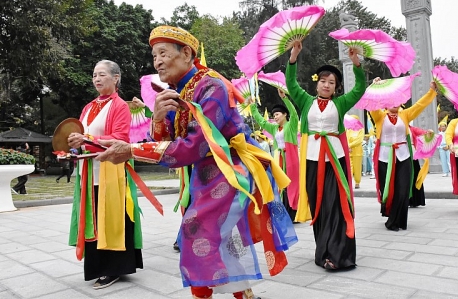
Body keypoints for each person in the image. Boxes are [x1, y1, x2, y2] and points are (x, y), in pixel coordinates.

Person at [94, 25, 296, 299]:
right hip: (207, 174)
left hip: (231, 170)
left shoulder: (211, 85)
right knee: (218, 238)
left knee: (196, 232)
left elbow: (194, 145)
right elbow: (169, 138)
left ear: (187, 53)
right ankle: (244, 296)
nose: (158, 62)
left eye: (163, 53)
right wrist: (156, 118)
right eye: (154, 56)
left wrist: (131, 150)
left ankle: (208, 295)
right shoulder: (178, 91)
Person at [287, 41, 366, 270]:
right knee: (318, 207)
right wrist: (293, 57)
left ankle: (338, 255)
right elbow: (291, 84)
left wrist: (356, 63)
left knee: (336, 206)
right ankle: (323, 252)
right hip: (312, 160)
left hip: (335, 161)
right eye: (323, 81)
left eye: (332, 83)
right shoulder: (305, 101)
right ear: (317, 83)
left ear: (336, 88)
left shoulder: (340, 104)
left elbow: (360, 89)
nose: (327, 85)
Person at [67, 60, 143, 290]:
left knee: (111, 216)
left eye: (102, 75)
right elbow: (79, 134)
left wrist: (87, 140)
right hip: (90, 172)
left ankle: (114, 268)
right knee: (94, 217)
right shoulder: (88, 107)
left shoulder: (120, 106)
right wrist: (72, 147)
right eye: (94, 75)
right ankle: (98, 266)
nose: (97, 79)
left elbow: (120, 137)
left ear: (116, 78)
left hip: (112, 171)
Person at [370, 81, 437, 231]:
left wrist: (431, 91)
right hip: (384, 157)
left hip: (403, 156)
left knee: (403, 189)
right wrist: (375, 87)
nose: (394, 103)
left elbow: (420, 105)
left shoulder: (405, 115)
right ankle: (391, 215)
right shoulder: (379, 116)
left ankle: (396, 221)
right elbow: (372, 105)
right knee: (388, 190)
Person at [249, 88, 300, 222]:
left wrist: (285, 98)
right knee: (279, 183)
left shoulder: (291, 125)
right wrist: (252, 106)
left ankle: (294, 212)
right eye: (274, 115)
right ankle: (282, 211)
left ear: (284, 115)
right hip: (278, 156)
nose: (275, 117)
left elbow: (294, 114)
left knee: (292, 183)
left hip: (291, 157)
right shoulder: (274, 128)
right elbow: (262, 122)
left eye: (277, 114)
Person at [346, 115, 364, 189]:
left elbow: (359, 140)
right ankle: (349, 182)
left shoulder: (361, 129)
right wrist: (347, 146)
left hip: (358, 152)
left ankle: (357, 182)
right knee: (349, 167)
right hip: (349, 151)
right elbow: (346, 138)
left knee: (357, 168)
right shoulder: (348, 129)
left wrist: (350, 145)